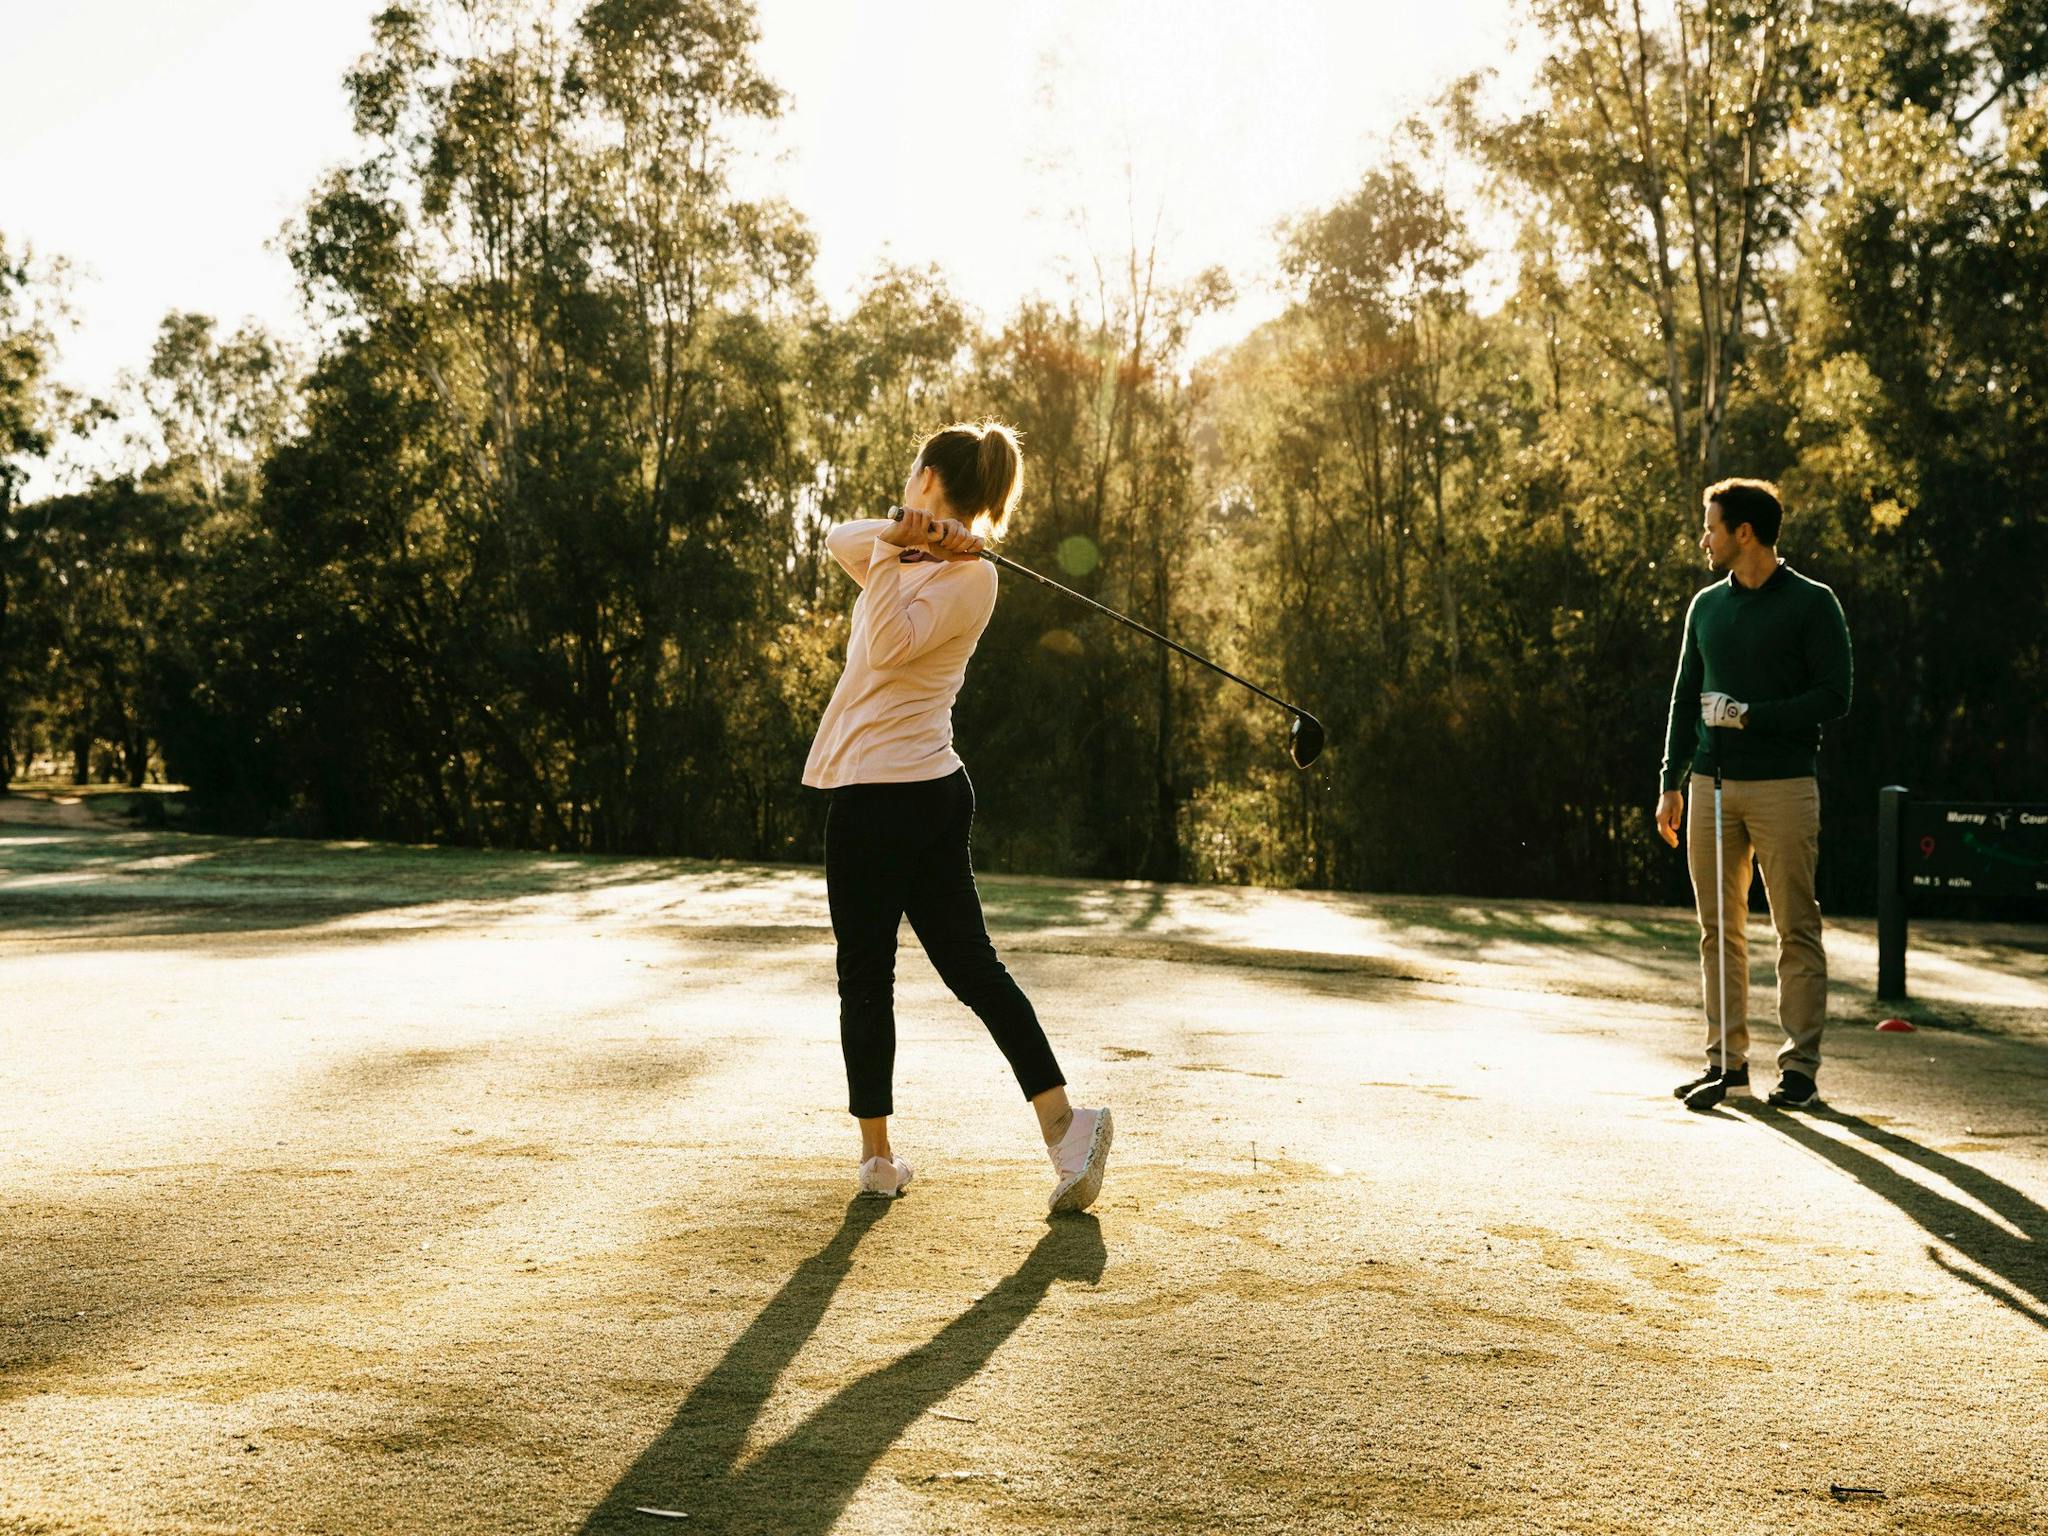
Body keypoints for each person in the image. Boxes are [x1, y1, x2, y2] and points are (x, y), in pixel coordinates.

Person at [802, 420, 1113, 1213]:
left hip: (889, 797)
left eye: (912, 475)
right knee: (958, 971)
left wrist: (908, 553)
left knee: (879, 976)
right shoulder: (924, 554)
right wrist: (916, 539)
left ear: (930, 475)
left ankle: (888, 1159)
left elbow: (886, 646)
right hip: (919, 789)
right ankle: (1062, 1128)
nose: (904, 484)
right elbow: (838, 536)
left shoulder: (972, 579)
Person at [1654, 478, 1853, 1112]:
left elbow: (1834, 696)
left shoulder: (1813, 603)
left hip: (1785, 787)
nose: (1703, 538)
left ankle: (1799, 1071)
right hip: (1709, 787)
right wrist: (1670, 782)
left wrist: (1748, 715)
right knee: (1720, 930)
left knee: (1795, 927)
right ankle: (1726, 1065)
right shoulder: (1705, 606)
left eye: (1710, 526)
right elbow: (1685, 697)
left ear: (1745, 533)